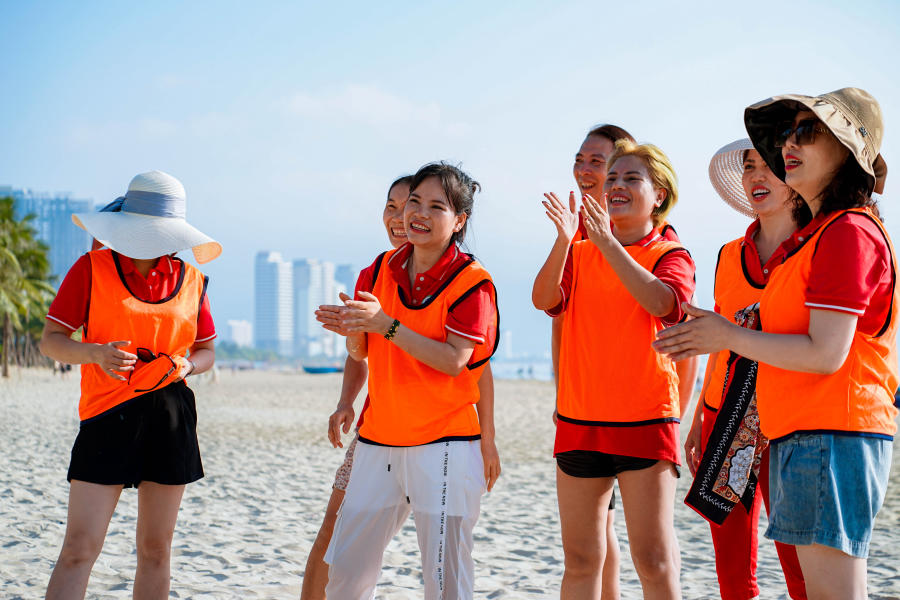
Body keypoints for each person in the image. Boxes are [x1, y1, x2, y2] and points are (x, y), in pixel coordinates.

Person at [655, 87, 894, 600]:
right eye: (787, 132)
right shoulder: (817, 237)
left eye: (808, 132)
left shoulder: (847, 231)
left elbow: (826, 354)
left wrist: (726, 334)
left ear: (847, 153)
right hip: (801, 433)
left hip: (829, 434)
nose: (789, 143)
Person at [302, 175, 501, 599]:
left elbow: (455, 361)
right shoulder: (377, 270)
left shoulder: (473, 282)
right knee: (347, 574)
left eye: (436, 206)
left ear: (460, 220)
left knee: (445, 581)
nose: (418, 213)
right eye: (414, 202)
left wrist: (384, 324)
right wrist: (353, 330)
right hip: (378, 440)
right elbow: (362, 351)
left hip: (445, 443)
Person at [39, 170, 221, 599]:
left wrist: (186, 366)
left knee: (156, 550)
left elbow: (207, 352)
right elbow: (51, 341)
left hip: (171, 417)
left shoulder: (192, 280)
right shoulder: (91, 269)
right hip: (106, 415)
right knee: (79, 549)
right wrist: (96, 354)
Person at [533, 140, 695, 599]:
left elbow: (663, 303)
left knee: (654, 561)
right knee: (581, 560)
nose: (617, 185)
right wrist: (565, 240)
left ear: (659, 195)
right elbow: (544, 299)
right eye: (614, 178)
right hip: (580, 422)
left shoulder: (672, 254)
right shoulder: (580, 251)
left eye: (631, 178)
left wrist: (606, 242)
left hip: (646, 422)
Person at [683, 138, 807, 599]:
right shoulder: (728, 254)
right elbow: (718, 341)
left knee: (802, 567)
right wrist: (700, 416)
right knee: (732, 572)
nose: (756, 176)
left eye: (769, 165)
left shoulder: (815, 247)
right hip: (725, 414)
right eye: (749, 166)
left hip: (789, 420)